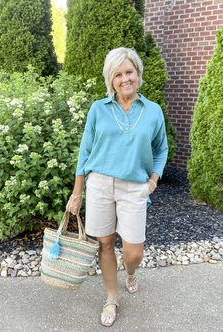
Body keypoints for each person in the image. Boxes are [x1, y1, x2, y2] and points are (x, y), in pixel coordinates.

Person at [66, 47, 168, 327]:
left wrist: (153, 180)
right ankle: (111, 296)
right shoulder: (99, 109)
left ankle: (131, 272)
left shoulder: (153, 111)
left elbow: (161, 149)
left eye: (129, 72)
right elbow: (85, 152)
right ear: (111, 80)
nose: (125, 79)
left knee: (134, 252)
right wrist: (77, 192)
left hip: (135, 187)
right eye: (118, 74)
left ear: (138, 74)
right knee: (106, 243)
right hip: (99, 184)